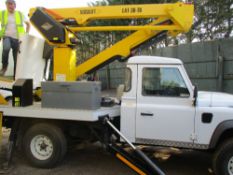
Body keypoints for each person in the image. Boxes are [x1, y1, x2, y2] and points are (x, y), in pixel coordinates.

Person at [0, 0, 30, 77]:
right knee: (6, 48)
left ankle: (15, 75)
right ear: (6, 6)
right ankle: (4, 67)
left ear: (15, 6)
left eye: (11, 4)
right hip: (7, 36)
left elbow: (28, 24)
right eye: (8, 4)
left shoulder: (20, 14)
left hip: (18, 39)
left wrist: (26, 36)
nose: (10, 6)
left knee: (16, 59)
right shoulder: (2, 13)